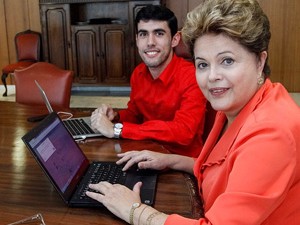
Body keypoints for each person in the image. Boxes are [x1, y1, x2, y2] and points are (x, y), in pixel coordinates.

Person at [86, 0, 300, 224]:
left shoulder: (273, 133)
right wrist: (171, 160)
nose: (212, 76)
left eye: (227, 61)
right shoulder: (234, 105)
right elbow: (221, 169)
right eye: (203, 64)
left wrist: (134, 211)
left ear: (259, 61)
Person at [91, 5, 207, 158]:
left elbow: (184, 132)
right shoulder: (138, 73)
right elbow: (135, 115)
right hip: (144, 152)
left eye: (159, 33)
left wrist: (117, 130)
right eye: (143, 34)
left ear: (174, 39)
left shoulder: (192, 76)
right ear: (137, 40)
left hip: (181, 163)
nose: (150, 42)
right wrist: (116, 117)